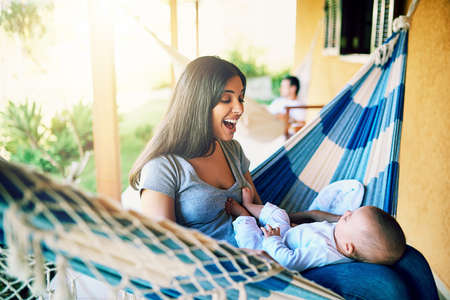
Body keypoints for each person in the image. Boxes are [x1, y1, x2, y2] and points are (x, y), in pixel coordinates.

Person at [129, 56, 438, 300]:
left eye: (241, 97)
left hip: (276, 251)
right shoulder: (163, 168)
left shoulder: (232, 151)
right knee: (387, 287)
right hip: (237, 275)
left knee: (411, 260)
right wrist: (229, 264)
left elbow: (262, 214)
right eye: (227, 99)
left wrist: (313, 217)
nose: (239, 108)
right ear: (197, 102)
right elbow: (162, 251)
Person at [226, 187, 406, 272]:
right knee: (281, 215)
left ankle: (242, 213)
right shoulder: (342, 238)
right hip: (287, 234)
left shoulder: (324, 252)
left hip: (268, 250)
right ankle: (251, 205)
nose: (347, 212)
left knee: (248, 236)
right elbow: (316, 220)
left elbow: (288, 261)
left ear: (349, 247)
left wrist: (273, 240)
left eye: (349, 218)